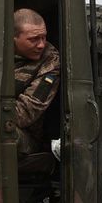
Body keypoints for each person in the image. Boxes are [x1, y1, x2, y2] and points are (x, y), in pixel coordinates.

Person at [11, 9, 60, 165]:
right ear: (13, 38)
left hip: (24, 135)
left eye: (43, 37)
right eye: (33, 39)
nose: (41, 45)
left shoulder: (50, 60)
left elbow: (24, 114)